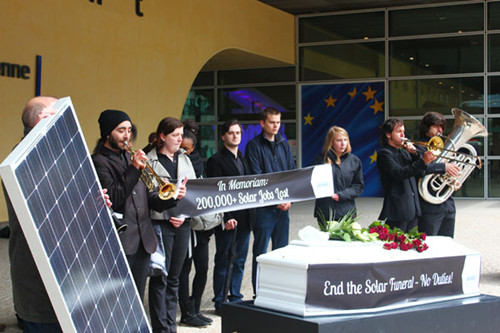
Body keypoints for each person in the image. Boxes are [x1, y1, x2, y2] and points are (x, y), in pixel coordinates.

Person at [92, 109, 184, 302]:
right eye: (120, 130)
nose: (127, 135)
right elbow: (115, 198)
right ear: (108, 133)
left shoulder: (129, 157)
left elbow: (149, 197)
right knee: (120, 300)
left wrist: (172, 197)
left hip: (143, 240)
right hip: (122, 240)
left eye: (129, 130)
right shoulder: (99, 162)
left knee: (137, 297)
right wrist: (134, 168)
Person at [4, 96, 62, 332]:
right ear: (43, 119)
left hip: (64, 283)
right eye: (57, 114)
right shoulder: (22, 160)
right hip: (39, 286)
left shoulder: (54, 157)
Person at [147, 117, 196, 333]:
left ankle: (170, 325)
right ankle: (160, 327)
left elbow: (193, 191)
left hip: (182, 223)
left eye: (181, 134)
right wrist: (171, 212)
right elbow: (149, 196)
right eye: (175, 135)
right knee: (161, 278)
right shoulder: (150, 160)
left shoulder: (184, 159)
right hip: (161, 223)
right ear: (162, 136)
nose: (180, 139)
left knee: (175, 277)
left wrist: (183, 215)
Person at [207, 119, 256, 314]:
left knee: (240, 260)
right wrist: (225, 216)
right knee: (224, 260)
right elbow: (215, 193)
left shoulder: (244, 159)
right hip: (228, 221)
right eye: (231, 133)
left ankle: (235, 296)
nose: (236, 136)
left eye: (238, 133)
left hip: (245, 220)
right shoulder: (215, 161)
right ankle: (220, 300)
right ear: (223, 136)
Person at [245, 107, 295, 293]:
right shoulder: (253, 146)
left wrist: (289, 199)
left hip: (284, 209)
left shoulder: (283, 144)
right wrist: (276, 200)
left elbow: (291, 174)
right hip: (264, 209)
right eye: (272, 122)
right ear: (262, 123)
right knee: (261, 253)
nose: (276, 126)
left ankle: (280, 291)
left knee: (282, 253)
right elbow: (257, 178)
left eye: (278, 122)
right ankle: (259, 291)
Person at [177, 126, 213, 327]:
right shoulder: (178, 164)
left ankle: (196, 307)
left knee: (203, 267)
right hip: (185, 226)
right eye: (181, 148)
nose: (185, 152)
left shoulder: (198, 163)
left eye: (188, 149)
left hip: (202, 227)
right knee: (184, 269)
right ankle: (186, 311)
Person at [377, 118, 435, 233]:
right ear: (388, 135)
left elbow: (420, 173)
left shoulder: (404, 153)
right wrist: (423, 161)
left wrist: (415, 155)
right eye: (399, 132)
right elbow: (399, 173)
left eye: (403, 131)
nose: (403, 135)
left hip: (413, 209)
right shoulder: (385, 154)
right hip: (397, 210)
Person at [416, 112, 460, 237]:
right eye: (436, 126)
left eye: (442, 127)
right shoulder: (417, 148)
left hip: (448, 205)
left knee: (448, 244)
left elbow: (451, 171)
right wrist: (444, 167)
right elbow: (420, 170)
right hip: (429, 208)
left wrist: (454, 181)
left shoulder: (444, 148)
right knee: (429, 245)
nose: (440, 130)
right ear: (426, 127)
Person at [313, 126, 364, 226]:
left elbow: (358, 186)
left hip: (347, 211)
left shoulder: (354, 161)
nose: (343, 143)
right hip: (326, 211)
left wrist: (342, 195)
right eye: (339, 140)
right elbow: (314, 182)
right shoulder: (321, 159)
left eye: (345, 140)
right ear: (331, 142)